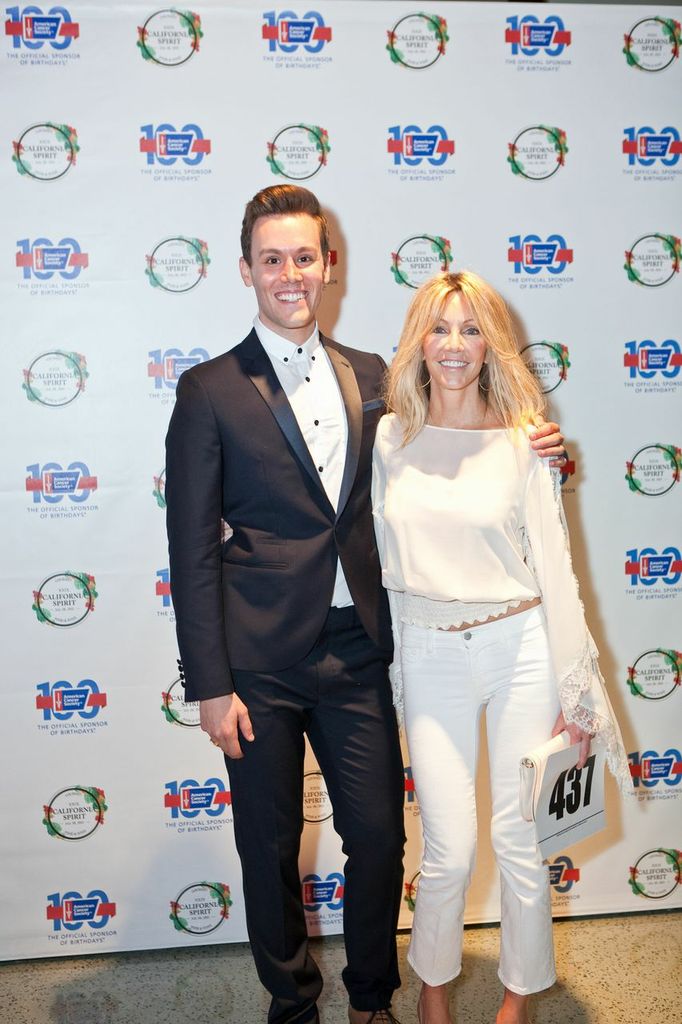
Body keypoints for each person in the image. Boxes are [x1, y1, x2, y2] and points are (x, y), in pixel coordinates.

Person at [165, 187, 565, 1024]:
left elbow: (460, 439)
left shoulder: (379, 380)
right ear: (246, 270)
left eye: (303, 257)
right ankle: (293, 1005)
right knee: (269, 848)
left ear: (328, 264)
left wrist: (541, 448)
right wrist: (209, 684)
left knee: (382, 841)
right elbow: (191, 546)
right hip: (257, 662)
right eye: (271, 259)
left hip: (361, 651)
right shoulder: (207, 391)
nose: (289, 274)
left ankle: (373, 999)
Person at [371, 271, 630, 1024]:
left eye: (470, 329)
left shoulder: (525, 443)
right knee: (447, 849)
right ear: (420, 339)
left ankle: (517, 1000)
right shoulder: (391, 436)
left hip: (519, 644)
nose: (454, 345)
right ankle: (433, 984)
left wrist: (576, 691)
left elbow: (558, 570)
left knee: (518, 839)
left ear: (491, 343)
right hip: (427, 648)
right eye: (440, 328)